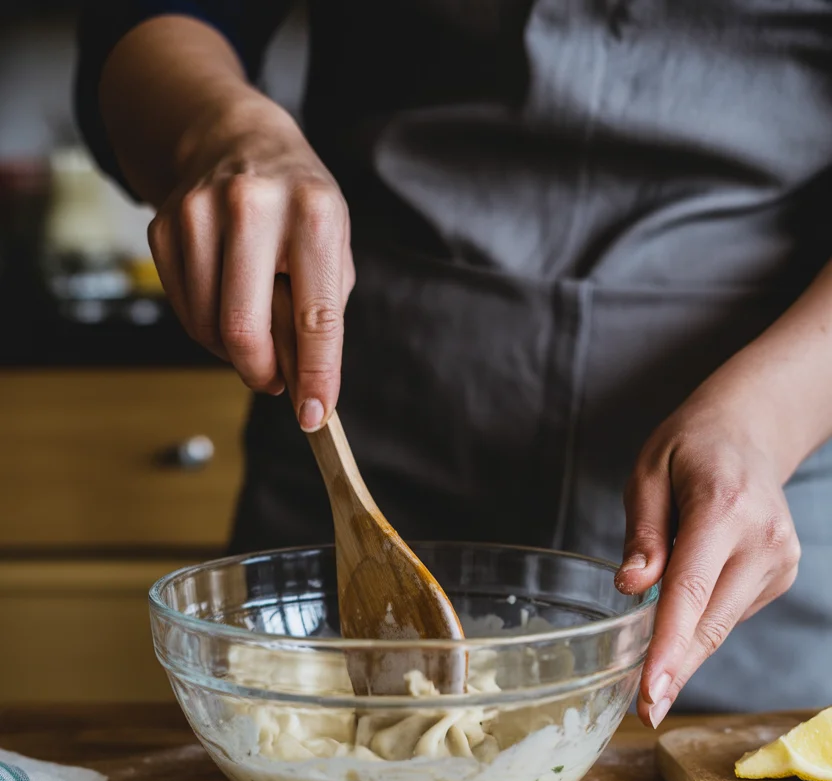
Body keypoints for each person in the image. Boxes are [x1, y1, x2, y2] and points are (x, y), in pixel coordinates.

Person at [75, 2, 832, 725]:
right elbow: (149, 16)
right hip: (370, 411)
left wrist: (766, 419)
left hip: (759, 465)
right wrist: (219, 127)